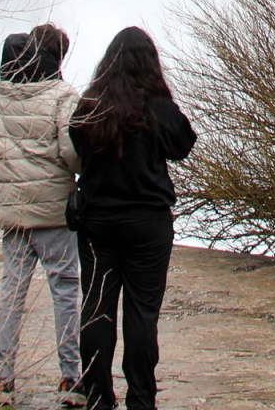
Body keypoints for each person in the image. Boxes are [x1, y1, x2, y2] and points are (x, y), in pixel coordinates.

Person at [0, 26, 86, 408]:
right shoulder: (61, 96)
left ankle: (4, 378)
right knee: (65, 293)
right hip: (54, 213)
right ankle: (71, 378)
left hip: (11, 217)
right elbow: (72, 152)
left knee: (12, 295)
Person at [69, 27, 196, 410]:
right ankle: (141, 399)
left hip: (98, 223)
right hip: (147, 223)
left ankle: (97, 398)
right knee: (142, 313)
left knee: (96, 310)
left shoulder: (90, 105)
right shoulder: (156, 107)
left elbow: (77, 147)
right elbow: (183, 144)